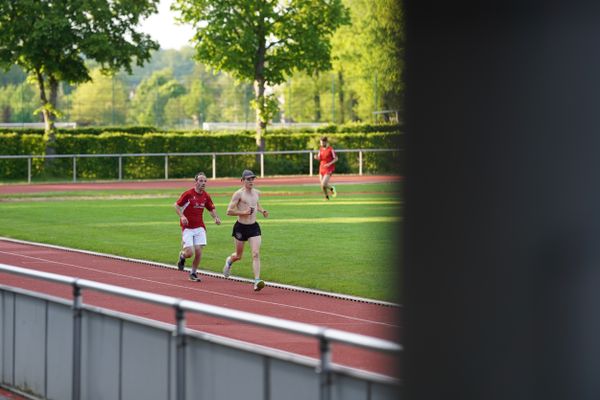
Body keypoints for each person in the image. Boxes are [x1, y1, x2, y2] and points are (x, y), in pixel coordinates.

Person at [222, 169, 269, 291]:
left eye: (253, 178)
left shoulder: (257, 193)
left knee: (256, 253)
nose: (251, 181)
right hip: (241, 227)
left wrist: (262, 210)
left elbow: (256, 204)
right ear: (242, 180)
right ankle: (229, 261)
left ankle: (257, 280)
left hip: (253, 227)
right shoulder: (238, 194)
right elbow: (228, 211)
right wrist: (243, 212)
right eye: (248, 179)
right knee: (238, 255)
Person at [173, 172, 221, 282]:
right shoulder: (188, 194)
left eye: (205, 181)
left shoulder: (206, 196)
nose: (203, 183)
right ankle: (182, 256)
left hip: (199, 227)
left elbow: (211, 208)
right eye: (201, 181)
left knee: (199, 252)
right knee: (189, 253)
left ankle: (193, 273)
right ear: (196, 182)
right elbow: (176, 205)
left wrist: (216, 218)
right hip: (188, 228)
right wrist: (182, 216)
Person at [314, 136, 338, 200]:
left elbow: (336, 158)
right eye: (320, 143)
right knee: (322, 185)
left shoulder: (330, 149)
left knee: (324, 183)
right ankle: (326, 197)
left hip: (329, 168)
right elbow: (320, 158)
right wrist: (316, 157)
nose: (321, 144)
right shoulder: (321, 149)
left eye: (322, 143)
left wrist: (329, 164)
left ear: (325, 142)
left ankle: (332, 188)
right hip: (321, 168)